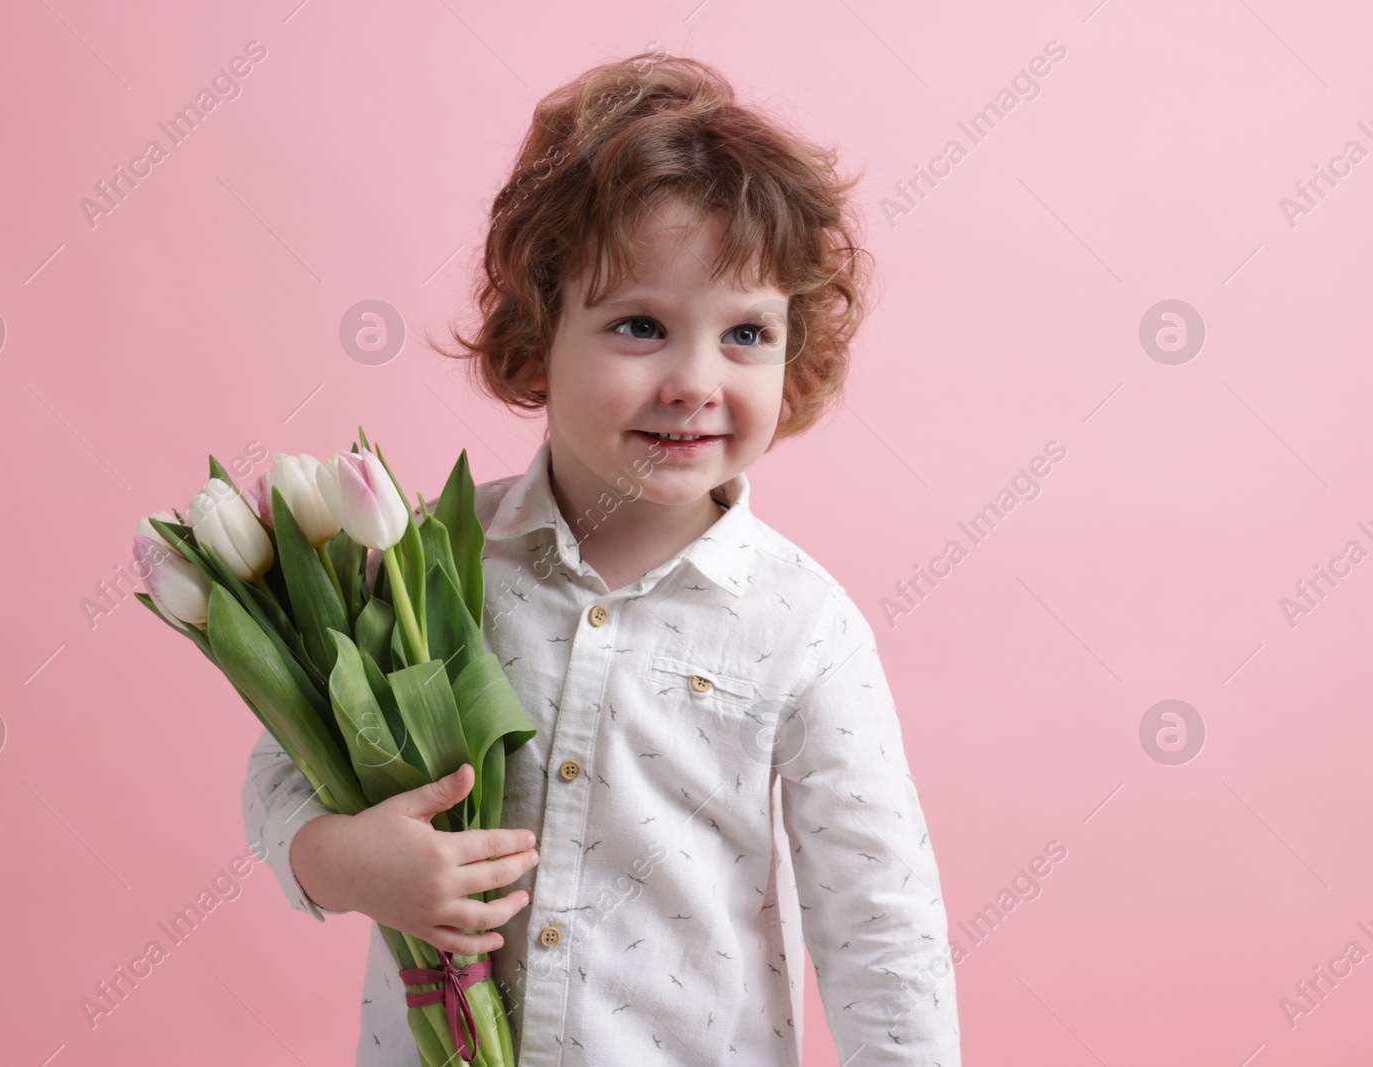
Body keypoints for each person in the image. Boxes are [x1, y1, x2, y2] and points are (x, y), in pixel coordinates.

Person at [242, 48, 961, 1065]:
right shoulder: (429, 563)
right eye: (640, 325)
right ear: (537, 340)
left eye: (747, 333)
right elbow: (284, 769)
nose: (695, 380)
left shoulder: (803, 622)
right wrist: (340, 860)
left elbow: (880, 917)